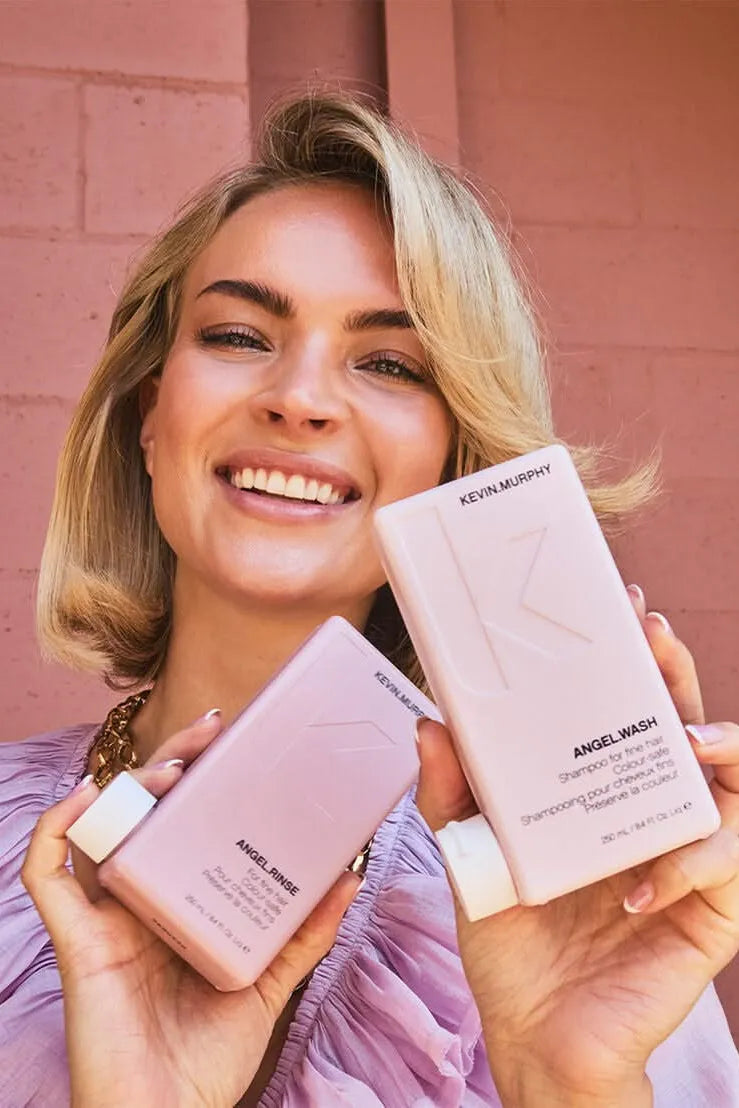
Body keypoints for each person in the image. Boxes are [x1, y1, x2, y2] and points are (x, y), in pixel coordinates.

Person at [1, 91, 738, 1108]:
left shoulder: (578, 907)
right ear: (148, 417)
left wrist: (568, 1079)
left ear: (453, 464)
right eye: (237, 334)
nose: (298, 396)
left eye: (388, 361)